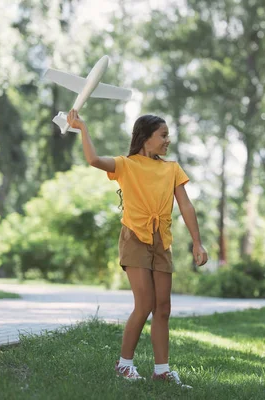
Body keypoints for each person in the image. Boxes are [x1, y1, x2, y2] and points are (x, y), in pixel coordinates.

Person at [67, 109, 208, 388]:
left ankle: (162, 370)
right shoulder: (125, 165)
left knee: (163, 308)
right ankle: (124, 364)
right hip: (135, 237)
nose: (168, 140)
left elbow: (186, 206)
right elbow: (94, 159)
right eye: (163, 135)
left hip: (162, 241)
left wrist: (197, 241)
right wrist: (83, 128)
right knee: (144, 304)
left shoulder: (172, 169)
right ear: (146, 138)